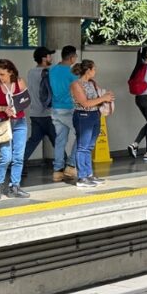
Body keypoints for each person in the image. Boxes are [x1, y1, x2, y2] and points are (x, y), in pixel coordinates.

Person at [0, 59, 30, 200]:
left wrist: (16, 108)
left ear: (10, 72)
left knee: (18, 157)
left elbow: (26, 100)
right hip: (3, 122)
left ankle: (15, 186)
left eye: (2, 74)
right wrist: (2, 109)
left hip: (20, 121)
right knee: (6, 157)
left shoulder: (19, 82)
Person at [68, 60, 114, 188]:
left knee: (89, 146)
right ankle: (82, 177)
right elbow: (85, 103)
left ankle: (88, 174)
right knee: (82, 146)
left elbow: (95, 100)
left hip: (94, 115)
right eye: (94, 69)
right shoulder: (76, 85)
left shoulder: (92, 83)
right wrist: (103, 98)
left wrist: (106, 97)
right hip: (83, 116)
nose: (95, 71)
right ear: (88, 70)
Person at [22, 46, 57, 168]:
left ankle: (18, 165)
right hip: (48, 114)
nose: (51, 57)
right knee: (57, 141)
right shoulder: (50, 72)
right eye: (49, 55)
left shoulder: (31, 72)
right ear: (44, 58)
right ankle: (66, 166)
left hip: (35, 114)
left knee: (33, 141)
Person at [49, 46, 79, 181]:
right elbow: (77, 89)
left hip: (55, 109)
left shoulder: (53, 69)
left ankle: (57, 170)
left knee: (60, 140)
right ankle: (71, 165)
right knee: (82, 134)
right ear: (72, 57)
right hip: (68, 108)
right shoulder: (71, 72)